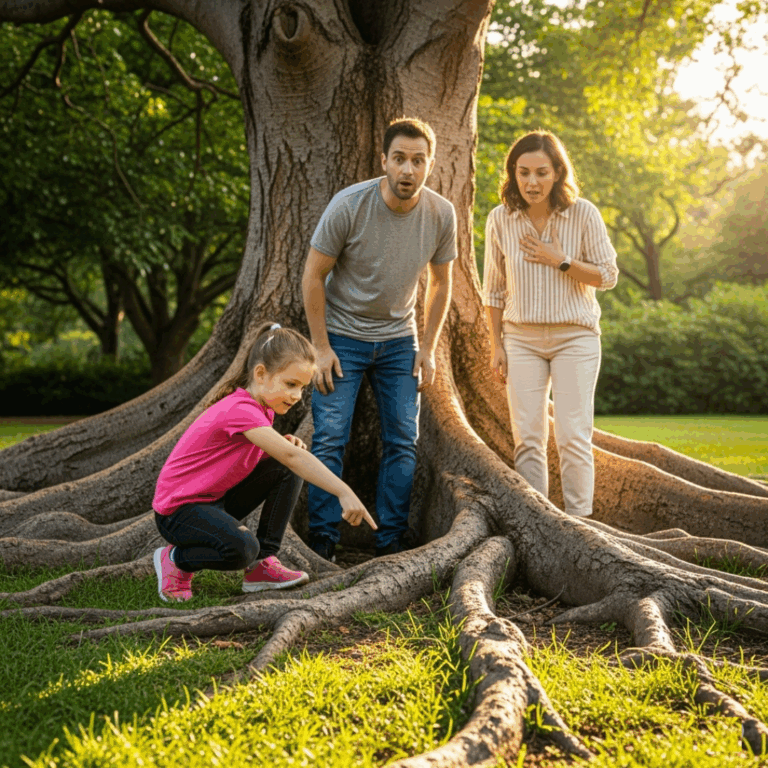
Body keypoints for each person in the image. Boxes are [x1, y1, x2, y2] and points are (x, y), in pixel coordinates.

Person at [302, 117, 457, 561]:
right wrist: (320, 346)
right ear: (384, 160)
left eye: (418, 161)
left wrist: (426, 348)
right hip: (342, 338)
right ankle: (321, 541)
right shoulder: (350, 205)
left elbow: (442, 284)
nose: (408, 170)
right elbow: (313, 275)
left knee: (403, 439)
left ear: (430, 164)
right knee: (330, 437)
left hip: (398, 341)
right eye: (400, 159)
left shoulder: (441, 214)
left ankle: (390, 542)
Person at [152, 322, 377, 602]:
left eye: (303, 388)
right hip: (178, 513)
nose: (297, 396)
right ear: (261, 374)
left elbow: (241, 456)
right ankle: (176, 559)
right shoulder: (240, 409)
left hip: (213, 501)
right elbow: (294, 457)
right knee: (242, 548)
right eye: (291, 384)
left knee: (284, 468)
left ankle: (262, 566)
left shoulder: (258, 410)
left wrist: (278, 448)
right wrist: (344, 491)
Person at [483, 130, 619, 518]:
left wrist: (560, 259)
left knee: (573, 436)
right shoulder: (500, 219)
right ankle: (539, 524)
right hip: (521, 339)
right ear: (513, 174)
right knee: (527, 439)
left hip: (575, 338)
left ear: (558, 172)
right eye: (523, 172)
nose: (532, 182)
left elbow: (608, 275)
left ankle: (580, 523)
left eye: (541, 172)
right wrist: (497, 344)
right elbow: (492, 290)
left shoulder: (583, 213)